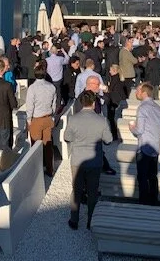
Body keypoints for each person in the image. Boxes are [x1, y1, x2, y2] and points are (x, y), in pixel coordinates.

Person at [64, 90, 113, 230]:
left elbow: (67, 138)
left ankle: (74, 220)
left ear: (81, 103)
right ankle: (91, 220)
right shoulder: (102, 120)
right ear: (94, 103)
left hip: (78, 160)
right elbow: (109, 140)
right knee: (93, 191)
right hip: (95, 161)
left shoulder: (73, 119)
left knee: (76, 190)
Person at [128, 82, 160, 205]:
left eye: (138, 91)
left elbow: (139, 130)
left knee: (142, 176)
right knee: (153, 176)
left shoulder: (142, 108)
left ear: (144, 93)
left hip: (144, 146)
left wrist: (132, 127)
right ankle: (154, 199)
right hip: (155, 147)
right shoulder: (158, 108)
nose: (136, 93)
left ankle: (143, 202)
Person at [25, 64, 57, 176]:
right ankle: (50, 169)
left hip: (36, 119)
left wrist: (29, 119)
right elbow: (54, 104)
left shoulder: (32, 88)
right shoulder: (51, 87)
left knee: (35, 146)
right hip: (47, 117)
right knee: (48, 145)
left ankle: (36, 171)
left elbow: (30, 106)